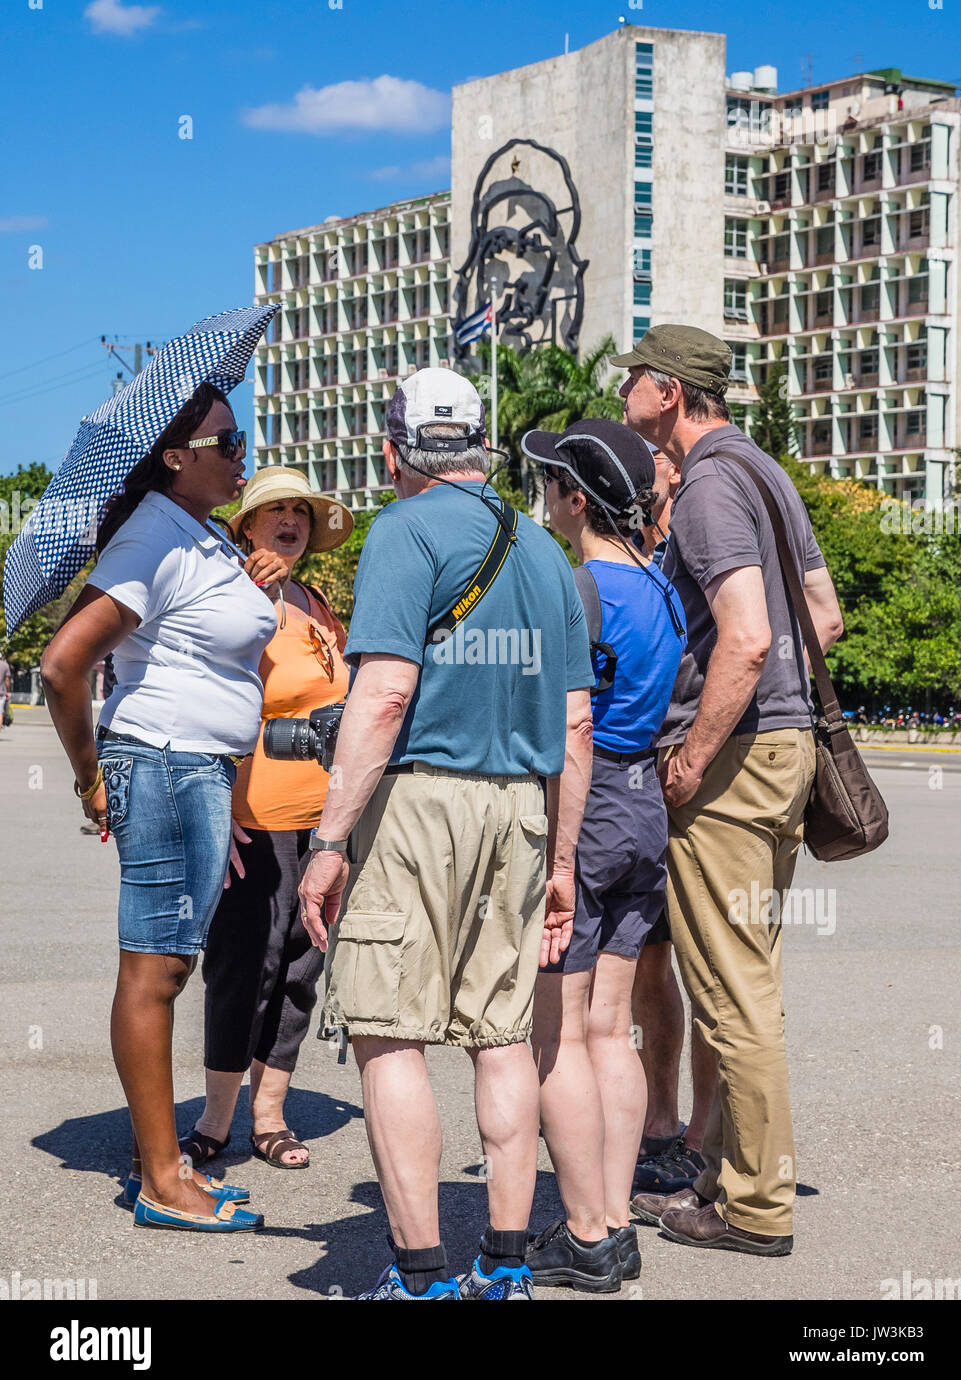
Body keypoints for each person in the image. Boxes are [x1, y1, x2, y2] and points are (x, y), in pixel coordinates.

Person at [297, 367, 595, 1300]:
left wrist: (329, 842)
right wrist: (562, 860)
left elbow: (383, 695)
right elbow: (577, 724)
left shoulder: (401, 532)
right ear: (481, 445)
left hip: (419, 804)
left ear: (395, 451)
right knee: (502, 1036)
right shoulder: (547, 552)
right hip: (520, 807)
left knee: (391, 1036)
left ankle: (420, 1274)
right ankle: (503, 1266)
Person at [610, 325, 843, 1255]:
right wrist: (778, 706)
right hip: (781, 750)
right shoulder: (766, 473)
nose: (623, 387)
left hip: (737, 762)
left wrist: (697, 749)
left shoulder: (706, 484)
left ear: (667, 391)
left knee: (732, 989)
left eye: (634, 375)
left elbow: (745, 636)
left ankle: (751, 1204)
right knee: (753, 980)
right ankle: (735, 1172)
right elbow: (821, 616)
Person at [40, 383, 289, 1233]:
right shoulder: (152, 533)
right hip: (165, 763)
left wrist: (256, 575)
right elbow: (62, 665)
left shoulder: (199, 534)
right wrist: (89, 773)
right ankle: (159, 1178)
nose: (241, 451)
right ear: (175, 457)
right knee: (155, 971)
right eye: (226, 441)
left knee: (171, 965)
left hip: (198, 771)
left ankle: (169, 1163)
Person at [520, 419, 685, 1293]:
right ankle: (616, 1215)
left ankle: (585, 1230)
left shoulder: (576, 586)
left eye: (549, 486)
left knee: (558, 1037)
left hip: (584, 808)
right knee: (609, 1029)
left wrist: (552, 850)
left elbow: (564, 723)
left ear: (575, 497)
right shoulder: (659, 588)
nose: (543, 501)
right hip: (644, 805)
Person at [179, 467, 354, 1173]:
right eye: (275, 510)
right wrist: (213, 810)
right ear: (245, 525)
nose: (290, 521)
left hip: (325, 821)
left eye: (302, 512)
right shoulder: (233, 597)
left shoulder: (317, 601)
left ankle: (271, 1114)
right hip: (254, 819)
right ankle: (215, 1118)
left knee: (300, 971)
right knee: (242, 970)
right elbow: (200, 700)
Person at [629, 448, 718, 1196]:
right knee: (651, 961)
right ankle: (659, 1122)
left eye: (664, 455)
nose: (660, 467)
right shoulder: (635, 553)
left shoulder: (714, 539)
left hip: (697, 772)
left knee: (712, 967)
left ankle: (703, 1134)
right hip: (641, 777)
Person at [0, 650, 11, 727]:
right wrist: (8, 691)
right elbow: (7, 680)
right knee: (0, 712)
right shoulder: (5, 665)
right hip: (1, 692)